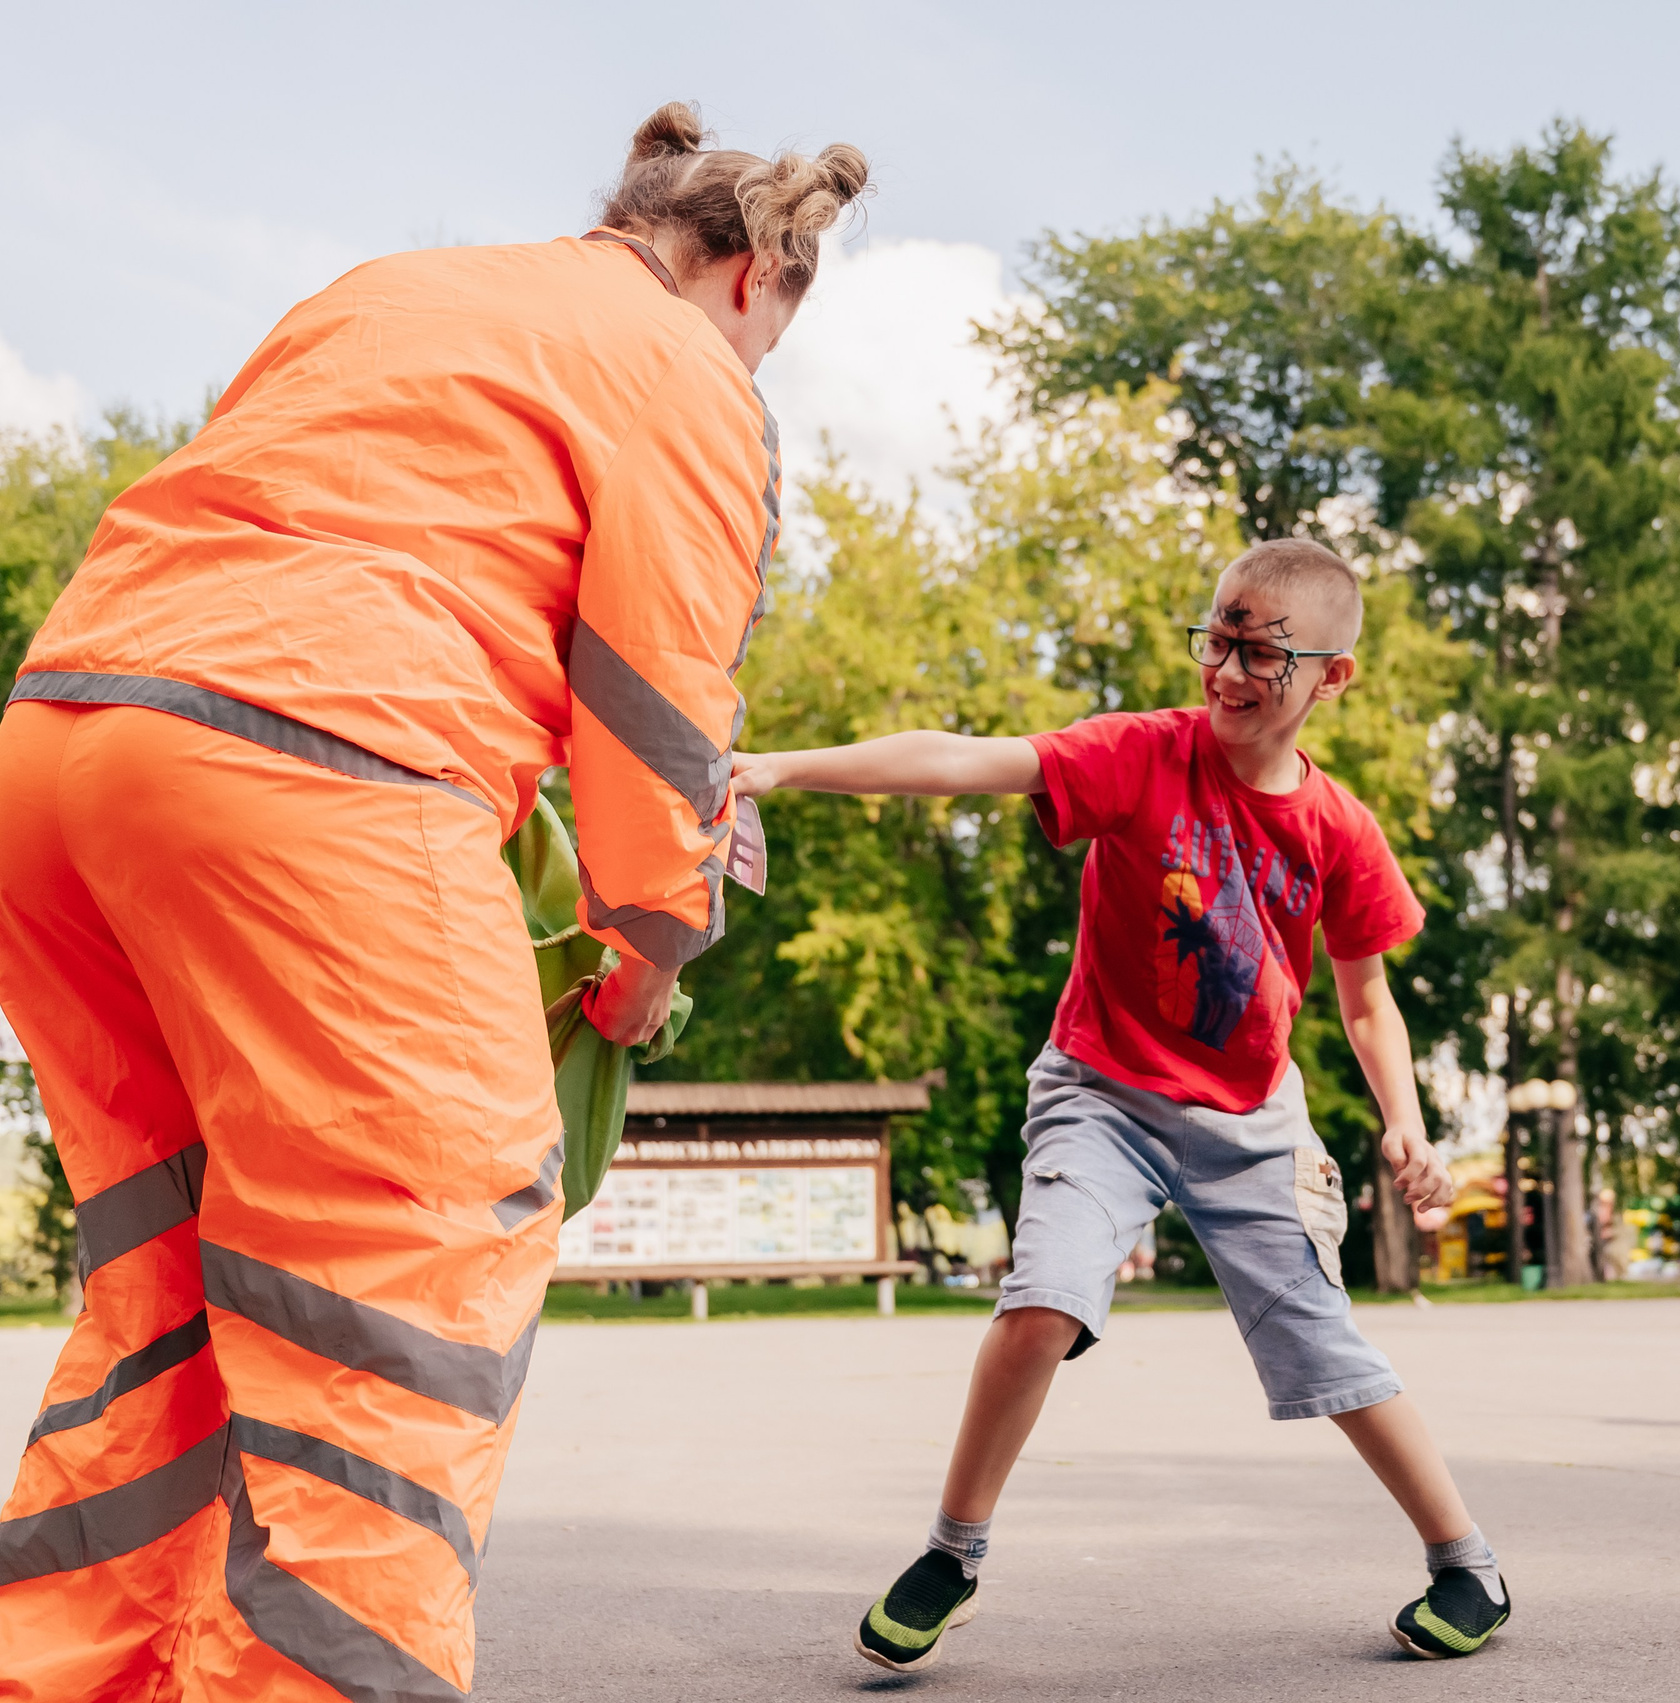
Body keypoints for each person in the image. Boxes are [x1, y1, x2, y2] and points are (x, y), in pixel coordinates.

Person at [0, 104, 868, 1698]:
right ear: (753, 277)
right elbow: (664, 710)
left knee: (174, 1299)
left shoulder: (393, 288)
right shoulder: (687, 377)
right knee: (399, 1289)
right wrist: (647, 953)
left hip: (64, 754)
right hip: (319, 773)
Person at [734, 538, 1506, 1666]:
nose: (1230, 673)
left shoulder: (1340, 829)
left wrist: (1405, 1117)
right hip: (1101, 1091)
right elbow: (966, 760)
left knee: (1322, 1347)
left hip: (1251, 1124)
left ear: (1331, 676)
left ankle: (1466, 1560)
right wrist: (781, 768)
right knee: (1042, 1301)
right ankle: (953, 1550)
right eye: (1218, 641)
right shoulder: (1142, 754)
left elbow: (1368, 996)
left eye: (1263, 654)